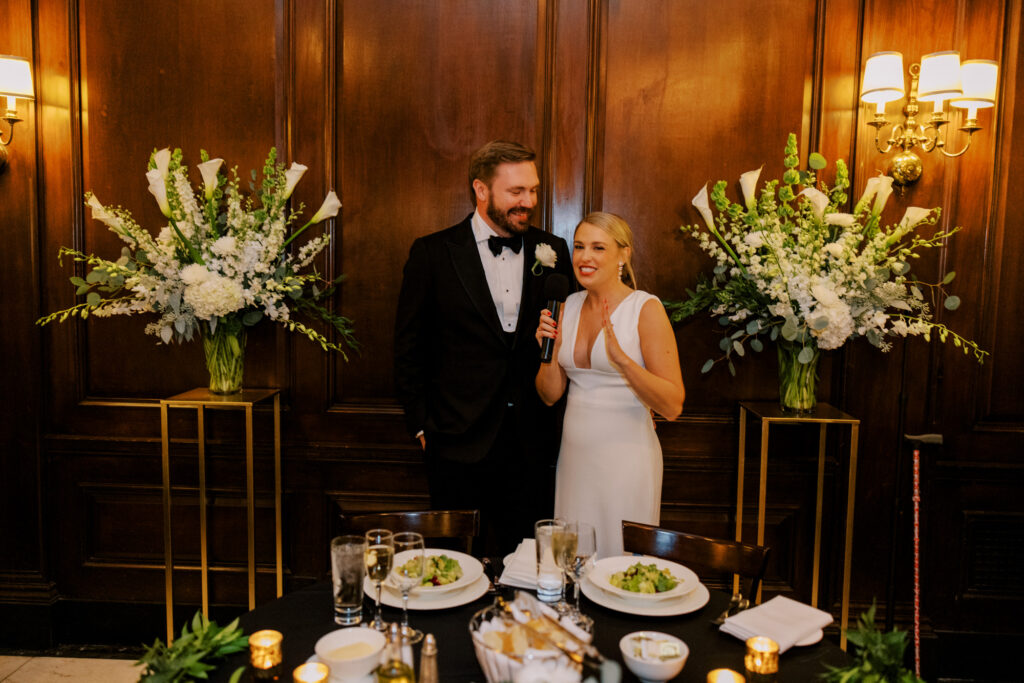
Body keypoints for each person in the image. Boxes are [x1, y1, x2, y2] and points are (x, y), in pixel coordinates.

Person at [394, 140, 575, 556]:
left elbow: (572, 337)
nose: (528, 201)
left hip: (533, 443)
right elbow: (408, 345)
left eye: (533, 190)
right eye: (516, 192)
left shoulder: (555, 251)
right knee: (454, 565)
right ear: (481, 189)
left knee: (531, 566)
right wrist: (421, 425)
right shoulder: (433, 253)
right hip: (456, 440)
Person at [535, 211, 685, 558]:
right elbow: (549, 394)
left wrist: (622, 361)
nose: (585, 257)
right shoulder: (567, 305)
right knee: (572, 562)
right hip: (574, 460)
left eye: (598, 247)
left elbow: (673, 405)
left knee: (619, 567)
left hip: (626, 461)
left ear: (624, 254)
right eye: (578, 246)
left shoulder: (644, 309)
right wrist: (549, 354)